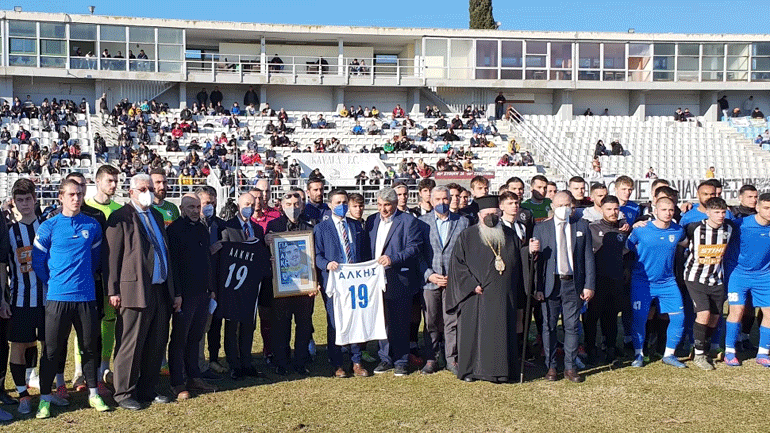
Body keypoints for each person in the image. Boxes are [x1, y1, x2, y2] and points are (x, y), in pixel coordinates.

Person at [32, 179, 109, 418]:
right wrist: (55, 283)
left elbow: (95, 260)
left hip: (86, 297)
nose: (76, 198)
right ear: (61, 197)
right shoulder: (48, 226)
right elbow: (38, 262)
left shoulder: (93, 225)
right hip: (57, 298)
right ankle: (45, 398)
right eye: (72, 194)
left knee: (89, 347)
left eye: (79, 194)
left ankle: (93, 393)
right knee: (51, 350)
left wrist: (81, 279)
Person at [104, 174, 180, 411]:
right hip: (133, 290)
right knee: (131, 342)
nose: (148, 192)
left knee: (157, 341)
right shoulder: (120, 218)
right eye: (142, 188)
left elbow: (166, 254)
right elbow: (111, 258)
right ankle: (124, 392)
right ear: (131, 192)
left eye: (149, 188)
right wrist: (113, 290)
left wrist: (174, 290)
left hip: (159, 288)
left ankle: (148, 388)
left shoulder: (156, 216)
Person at [446, 196, 524, 382]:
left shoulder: (510, 235)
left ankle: (502, 372)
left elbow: (518, 264)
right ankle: (472, 371)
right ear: (480, 215)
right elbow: (457, 265)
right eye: (488, 214)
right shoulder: (467, 236)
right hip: (476, 295)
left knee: (501, 334)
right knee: (474, 334)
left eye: (495, 214)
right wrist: (471, 285)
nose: (492, 217)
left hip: (503, 296)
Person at [533, 191, 595, 383]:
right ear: (552, 206)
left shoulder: (582, 226)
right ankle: (551, 366)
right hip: (551, 284)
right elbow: (538, 263)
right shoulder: (541, 228)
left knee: (572, 326)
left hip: (573, 284)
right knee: (549, 326)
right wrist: (538, 287)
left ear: (572, 207)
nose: (564, 209)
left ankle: (570, 366)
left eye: (567, 205)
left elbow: (588, 258)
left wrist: (589, 285)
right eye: (559, 205)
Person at [365, 188, 422, 376]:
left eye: (387, 205)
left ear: (395, 204)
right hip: (375, 279)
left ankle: (401, 360)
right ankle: (385, 358)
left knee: (400, 322)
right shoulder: (371, 220)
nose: (383, 209)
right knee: (382, 321)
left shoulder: (408, 221)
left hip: (399, 278)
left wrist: (393, 258)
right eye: (380, 205)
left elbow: (414, 248)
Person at [166, 194, 218, 400]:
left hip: (202, 292)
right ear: (181, 208)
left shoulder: (202, 228)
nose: (195, 210)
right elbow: (174, 266)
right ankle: (177, 382)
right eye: (190, 207)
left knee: (195, 337)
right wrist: (176, 293)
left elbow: (207, 260)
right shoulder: (174, 230)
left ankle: (194, 376)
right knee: (180, 339)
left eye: (198, 206)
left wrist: (211, 287)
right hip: (184, 294)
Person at [314, 190, 371, 377]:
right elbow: (317, 255)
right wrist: (326, 264)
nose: (342, 205)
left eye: (345, 202)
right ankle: (337, 362)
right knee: (335, 322)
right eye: (338, 202)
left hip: (354, 281)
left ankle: (356, 361)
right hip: (334, 282)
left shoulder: (356, 226)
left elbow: (363, 253)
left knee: (356, 319)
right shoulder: (321, 229)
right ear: (330, 205)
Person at [626, 197, 686, 369]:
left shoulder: (677, 231)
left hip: (668, 283)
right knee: (639, 318)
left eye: (671, 210)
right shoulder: (641, 230)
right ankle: (639, 354)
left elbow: (686, 243)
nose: (668, 213)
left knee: (678, 317)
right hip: (642, 282)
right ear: (655, 211)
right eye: (664, 209)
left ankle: (669, 354)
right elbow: (627, 248)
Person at [417, 186, 469, 375]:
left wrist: (456, 277)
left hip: (453, 282)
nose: (441, 203)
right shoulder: (422, 223)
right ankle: (430, 358)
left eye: (445, 199)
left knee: (452, 321)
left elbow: (466, 254)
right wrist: (429, 274)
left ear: (450, 199)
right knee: (431, 322)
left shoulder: (463, 222)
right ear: (430, 200)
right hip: (430, 281)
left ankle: (452, 359)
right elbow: (418, 254)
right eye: (437, 199)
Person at [266, 192, 317, 376]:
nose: (293, 207)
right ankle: (281, 361)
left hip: (305, 288)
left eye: (296, 204)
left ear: (302, 205)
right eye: (289, 203)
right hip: (282, 285)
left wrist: (314, 282)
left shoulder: (310, 227)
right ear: (281, 205)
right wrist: (268, 246)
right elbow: (266, 254)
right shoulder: (273, 226)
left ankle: (301, 362)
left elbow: (314, 257)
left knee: (303, 325)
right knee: (281, 325)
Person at [218, 193, 267, 379]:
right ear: (239, 204)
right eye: (247, 204)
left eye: (253, 204)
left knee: (248, 325)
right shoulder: (228, 226)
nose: (250, 207)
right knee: (232, 326)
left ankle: (247, 362)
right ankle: (234, 363)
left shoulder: (257, 229)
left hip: (251, 286)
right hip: (233, 284)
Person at [682, 197, 734, 370]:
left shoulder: (729, 228)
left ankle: (701, 347)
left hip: (717, 279)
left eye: (723, 212)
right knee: (703, 315)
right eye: (716, 212)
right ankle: (699, 355)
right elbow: (677, 239)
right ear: (708, 212)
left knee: (714, 319)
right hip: (695, 277)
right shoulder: (694, 228)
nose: (720, 216)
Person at [0, 180, 37, 418]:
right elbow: (3, 265)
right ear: (14, 202)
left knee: (43, 344)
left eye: (28, 199)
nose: (24, 204)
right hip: (20, 297)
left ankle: (36, 381)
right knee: (19, 344)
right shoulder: (10, 232)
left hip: (49, 298)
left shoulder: (48, 226)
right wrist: (3, 298)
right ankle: (22, 394)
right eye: (20, 200)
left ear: (35, 199)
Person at [85, 165, 123, 389]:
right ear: (98, 181)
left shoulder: (120, 209)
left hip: (112, 278)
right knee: (86, 325)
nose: (114, 185)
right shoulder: (86, 208)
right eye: (109, 181)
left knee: (109, 322)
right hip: (89, 277)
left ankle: (104, 367)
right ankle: (81, 371)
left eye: (116, 181)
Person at [724, 193, 770, 367]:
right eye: (766, 207)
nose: (769, 211)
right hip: (739, 275)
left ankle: (763, 353)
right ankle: (730, 351)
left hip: (765, 276)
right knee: (737, 310)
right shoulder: (740, 225)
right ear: (757, 207)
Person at [585, 195, 629, 366]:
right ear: (602, 210)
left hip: (616, 280)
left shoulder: (624, 229)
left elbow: (627, 253)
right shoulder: (592, 228)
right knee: (592, 317)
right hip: (597, 280)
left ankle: (610, 348)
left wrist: (626, 270)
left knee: (611, 316)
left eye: (616, 209)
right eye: (609, 209)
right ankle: (590, 349)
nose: (613, 212)